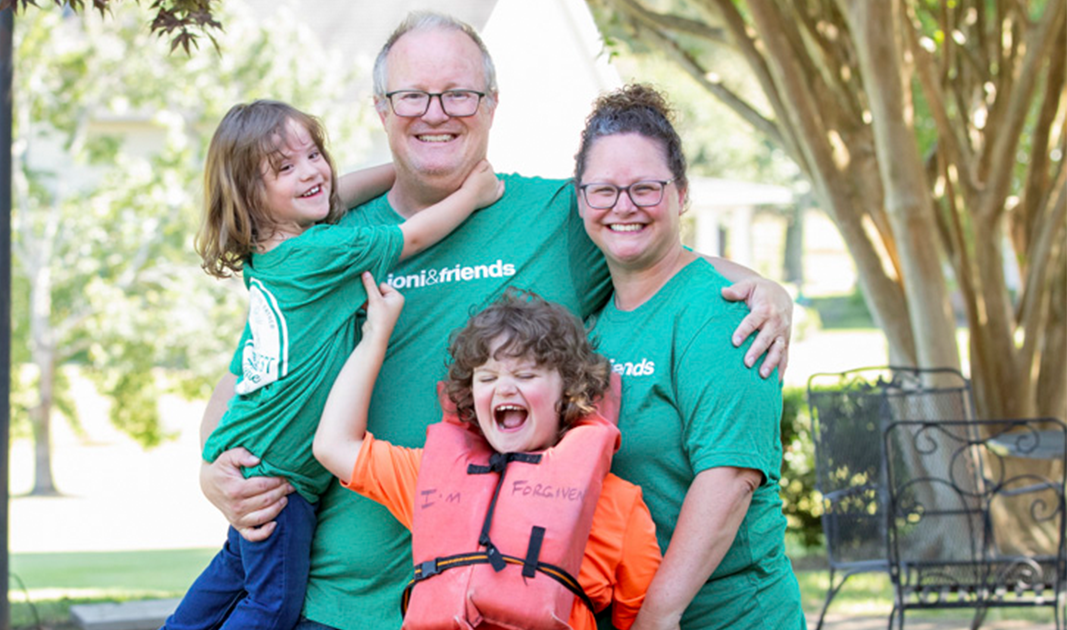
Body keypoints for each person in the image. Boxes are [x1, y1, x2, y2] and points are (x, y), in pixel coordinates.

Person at [198, 14, 793, 630]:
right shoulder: (334, 241)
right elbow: (252, 369)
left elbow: (653, 249)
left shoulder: (555, 216)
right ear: (380, 107)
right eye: (412, 96)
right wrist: (210, 470)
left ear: (491, 104)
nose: (436, 112)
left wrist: (765, 290)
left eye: (459, 93)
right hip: (339, 603)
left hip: (501, 604)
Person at [166, 99, 502, 630]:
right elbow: (410, 235)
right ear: (252, 196)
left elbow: (334, 192)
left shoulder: (272, 251)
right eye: (284, 167)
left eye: (314, 154)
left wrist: (406, 168)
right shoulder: (319, 254)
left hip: (255, 452)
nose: (311, 172)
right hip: (284, 478)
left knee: (232, 572)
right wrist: (471, 193)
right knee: (272, 606)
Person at [574, 84, 805, 630]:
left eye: (645, 188)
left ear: (681, 193)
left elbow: (730, 478)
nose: (623, 206)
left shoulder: (724, 314)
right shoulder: (593, 320)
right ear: (581, 199)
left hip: (728, 616)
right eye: (603, 190)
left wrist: (657, 614)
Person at [313, 280, 661, 630]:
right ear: (470, 394)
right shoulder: (430, 477)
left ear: (568, 393)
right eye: (487, 377)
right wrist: (375, 333)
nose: (504, 388)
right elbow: (334, 445)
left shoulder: (619, 504)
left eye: (526, 375)